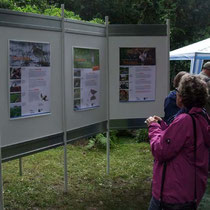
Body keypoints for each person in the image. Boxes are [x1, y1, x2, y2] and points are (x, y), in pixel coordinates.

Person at [146, 74, 210, 210]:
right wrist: (163, 126)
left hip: (172, 196)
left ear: (183, 98)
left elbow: (160, 150)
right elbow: (180, 141)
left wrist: (153, 126)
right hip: (189, 192)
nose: (176, 95)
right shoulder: (201, 116)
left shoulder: (184, 120)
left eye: (178, 92)